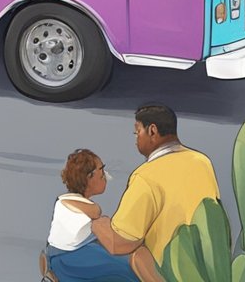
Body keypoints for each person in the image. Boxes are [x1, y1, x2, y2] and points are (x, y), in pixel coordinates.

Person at [91, 104, 219, 271]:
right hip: (205, 269)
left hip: (166, 271)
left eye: (137, 133)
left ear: (152, 131)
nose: (136, 139)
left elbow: (120, 244)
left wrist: (98, 224)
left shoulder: (145, 176)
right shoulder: (202, 162)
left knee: (76, 257)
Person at [44, 149, 159, 282]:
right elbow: (114, 244)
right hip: (72, 261)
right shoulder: (92, 210)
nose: (106, 176)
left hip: (55, 257)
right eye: (102, 171)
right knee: (134, 265)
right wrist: (142, 237)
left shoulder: (62, 201)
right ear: (89, 177)